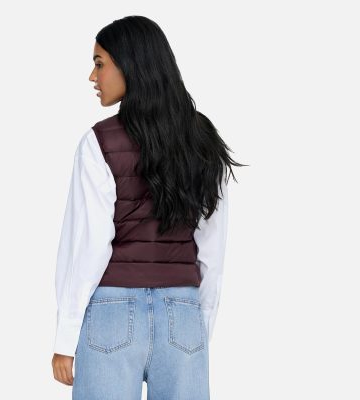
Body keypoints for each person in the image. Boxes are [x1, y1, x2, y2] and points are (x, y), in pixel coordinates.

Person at [51, 15, 246, 400]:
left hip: (111, 313)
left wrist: (65, 336)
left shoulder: (99, 143)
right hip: (183, 312)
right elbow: (212, 251)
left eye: (100, 63)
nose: (93, 76)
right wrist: (198, 326)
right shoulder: (203, 139)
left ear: (130, 64)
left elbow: (87, 247)